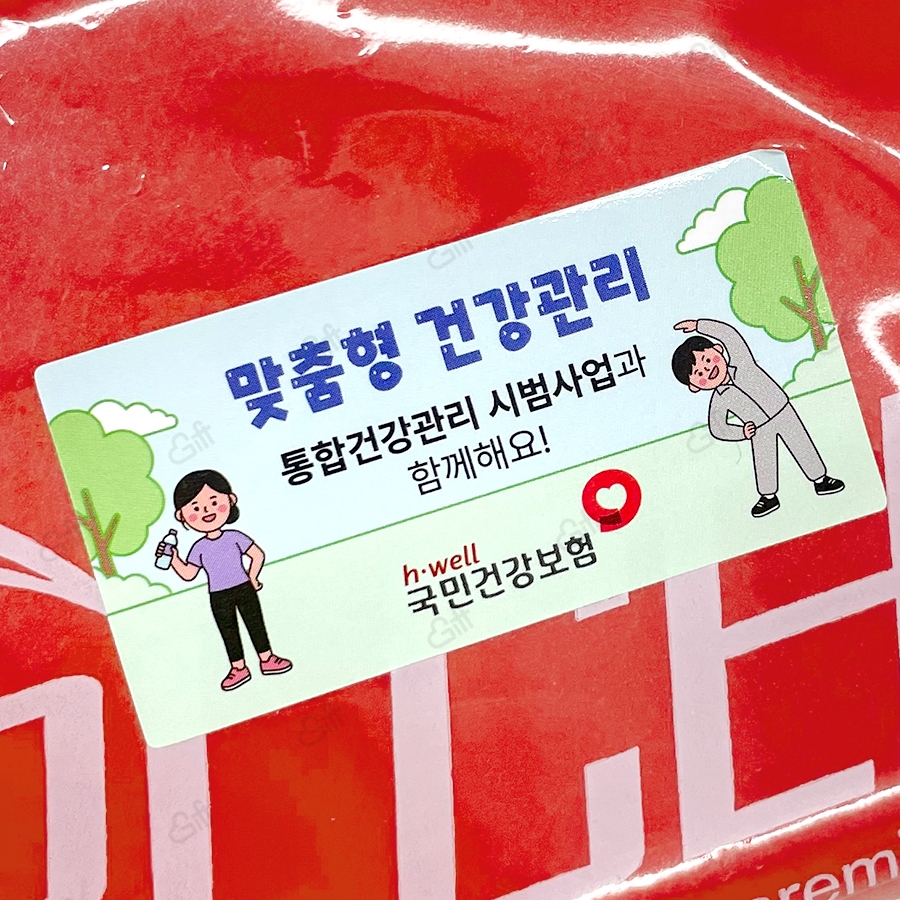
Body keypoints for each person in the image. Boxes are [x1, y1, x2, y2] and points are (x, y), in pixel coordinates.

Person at [671, 319, 844, 518]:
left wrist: (699, 325)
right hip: (759, 429)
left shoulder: (742, 363)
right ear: (694, 386)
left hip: (782, 410)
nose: (708, 370)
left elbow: (730, 335)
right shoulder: (720, 399)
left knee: (801, 444)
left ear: (718, 349)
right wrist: (741, 432)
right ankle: (768, 496)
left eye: (708, 360)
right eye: (699, 372)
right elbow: (717, 427)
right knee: (764, 460)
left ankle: (821, 479)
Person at [157, 469, 292, 691]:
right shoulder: (199, 547)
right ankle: (238, 668)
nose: (206, 511)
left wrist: (252, 577)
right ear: (181, 516)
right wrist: (173, 559)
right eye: (195, 508)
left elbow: (257, 555)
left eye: (213, 502)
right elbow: (189, 574)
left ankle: (267, 658)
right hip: (219, 595)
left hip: (243, 587)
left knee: (255, 624)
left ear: (230, 500)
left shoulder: (234, 537)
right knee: (228, 631)